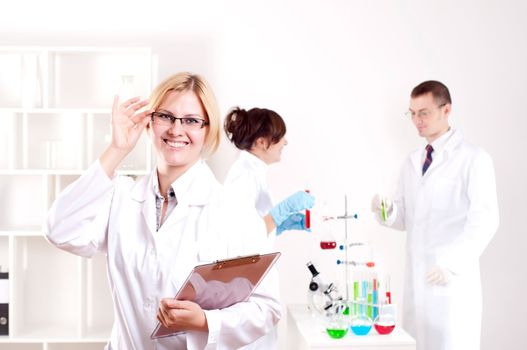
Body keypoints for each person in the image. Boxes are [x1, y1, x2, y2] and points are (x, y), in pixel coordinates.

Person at [45, 73, 310, 349]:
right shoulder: (120, 197)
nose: (175, 129)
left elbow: (266, 308)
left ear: (207, 131)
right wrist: (116, 149)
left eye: (192, 121)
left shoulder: (233, 210)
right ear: (149, 122)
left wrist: (205, 321)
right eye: (165, 116)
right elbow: (59, 230)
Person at [371, 80, 499, 350]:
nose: (417, 120)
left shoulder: (474, 159)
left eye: (424, 113)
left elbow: (485, 220)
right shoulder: (412, 161)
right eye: (412, 113)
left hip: (451, 285)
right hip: (417, 282)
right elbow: (405, 217)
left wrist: (451, 264)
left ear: (447, 110)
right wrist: (387, 211)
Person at [223, 106, 314, 242]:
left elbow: (254, 228)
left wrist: (280, 225)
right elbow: (242, 238)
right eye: (280, 136)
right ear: (262, 142)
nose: (285, 142)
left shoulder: (254, 171)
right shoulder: (244, 176)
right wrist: (284, 210)